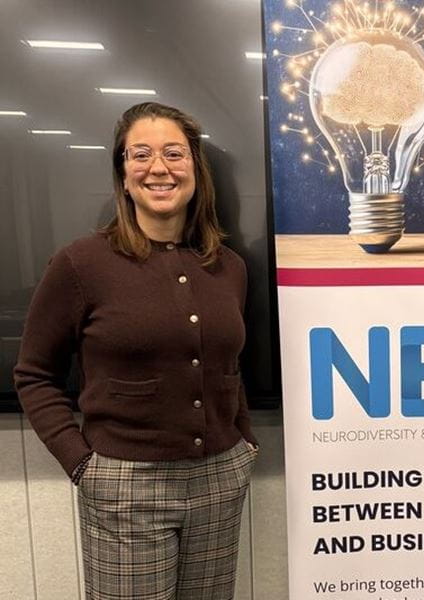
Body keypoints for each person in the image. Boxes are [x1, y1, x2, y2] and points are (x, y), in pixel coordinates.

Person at [14, 101, 258, 600]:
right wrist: (82, 464)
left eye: (174, 153)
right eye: (140, 154)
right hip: (125, 488)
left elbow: (229, 367)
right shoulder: (81, 264)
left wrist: (244, 443)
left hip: (219, 480)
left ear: (195, 171)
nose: (158, 167)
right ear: (123, 175)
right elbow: (34, 374)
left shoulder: (229, 267)